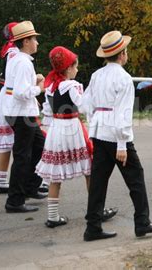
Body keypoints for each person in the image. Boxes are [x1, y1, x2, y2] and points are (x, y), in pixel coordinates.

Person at [82, 31, 152, 241]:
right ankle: (142, 223)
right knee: (136, 178)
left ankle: (92, 227)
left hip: (99, 133)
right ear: (122, 54)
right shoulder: (124, 78)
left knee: (99, 182)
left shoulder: (96, 75)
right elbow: (123, 114)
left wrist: (95, 123)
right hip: (116, 136)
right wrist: (121, 144)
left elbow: (85, 104)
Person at [35, 46, 118, 228]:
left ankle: (53, 216)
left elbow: (47, 111)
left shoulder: (50, 86)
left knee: (55, 174)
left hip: (56, 129)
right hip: (72, 128)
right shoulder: (72, 86)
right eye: (76, 66)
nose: (77, 70)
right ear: (68, 68)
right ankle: (97, 211)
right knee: (89, 170)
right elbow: (82, 106)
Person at [2, 21, 47, 213]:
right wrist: (40, 88)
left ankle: (29, 186)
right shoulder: (23, 62)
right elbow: (21, 92)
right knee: (23, 156)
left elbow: (14, 86)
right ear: (26, 41)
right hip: (22, 114)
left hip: (19, 113)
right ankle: (15, 200)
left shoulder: (18, 60)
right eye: (34, 39)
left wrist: (33, 80)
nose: (37, 42)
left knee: (40, 147)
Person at [0, 22, 18, 194]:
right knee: (24, 141)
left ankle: (1, 180)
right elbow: (15, 79)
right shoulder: (14, 53)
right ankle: (31, 181)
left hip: (6, 94)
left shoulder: (8, 50)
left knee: (7, 140)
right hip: (12, 96)